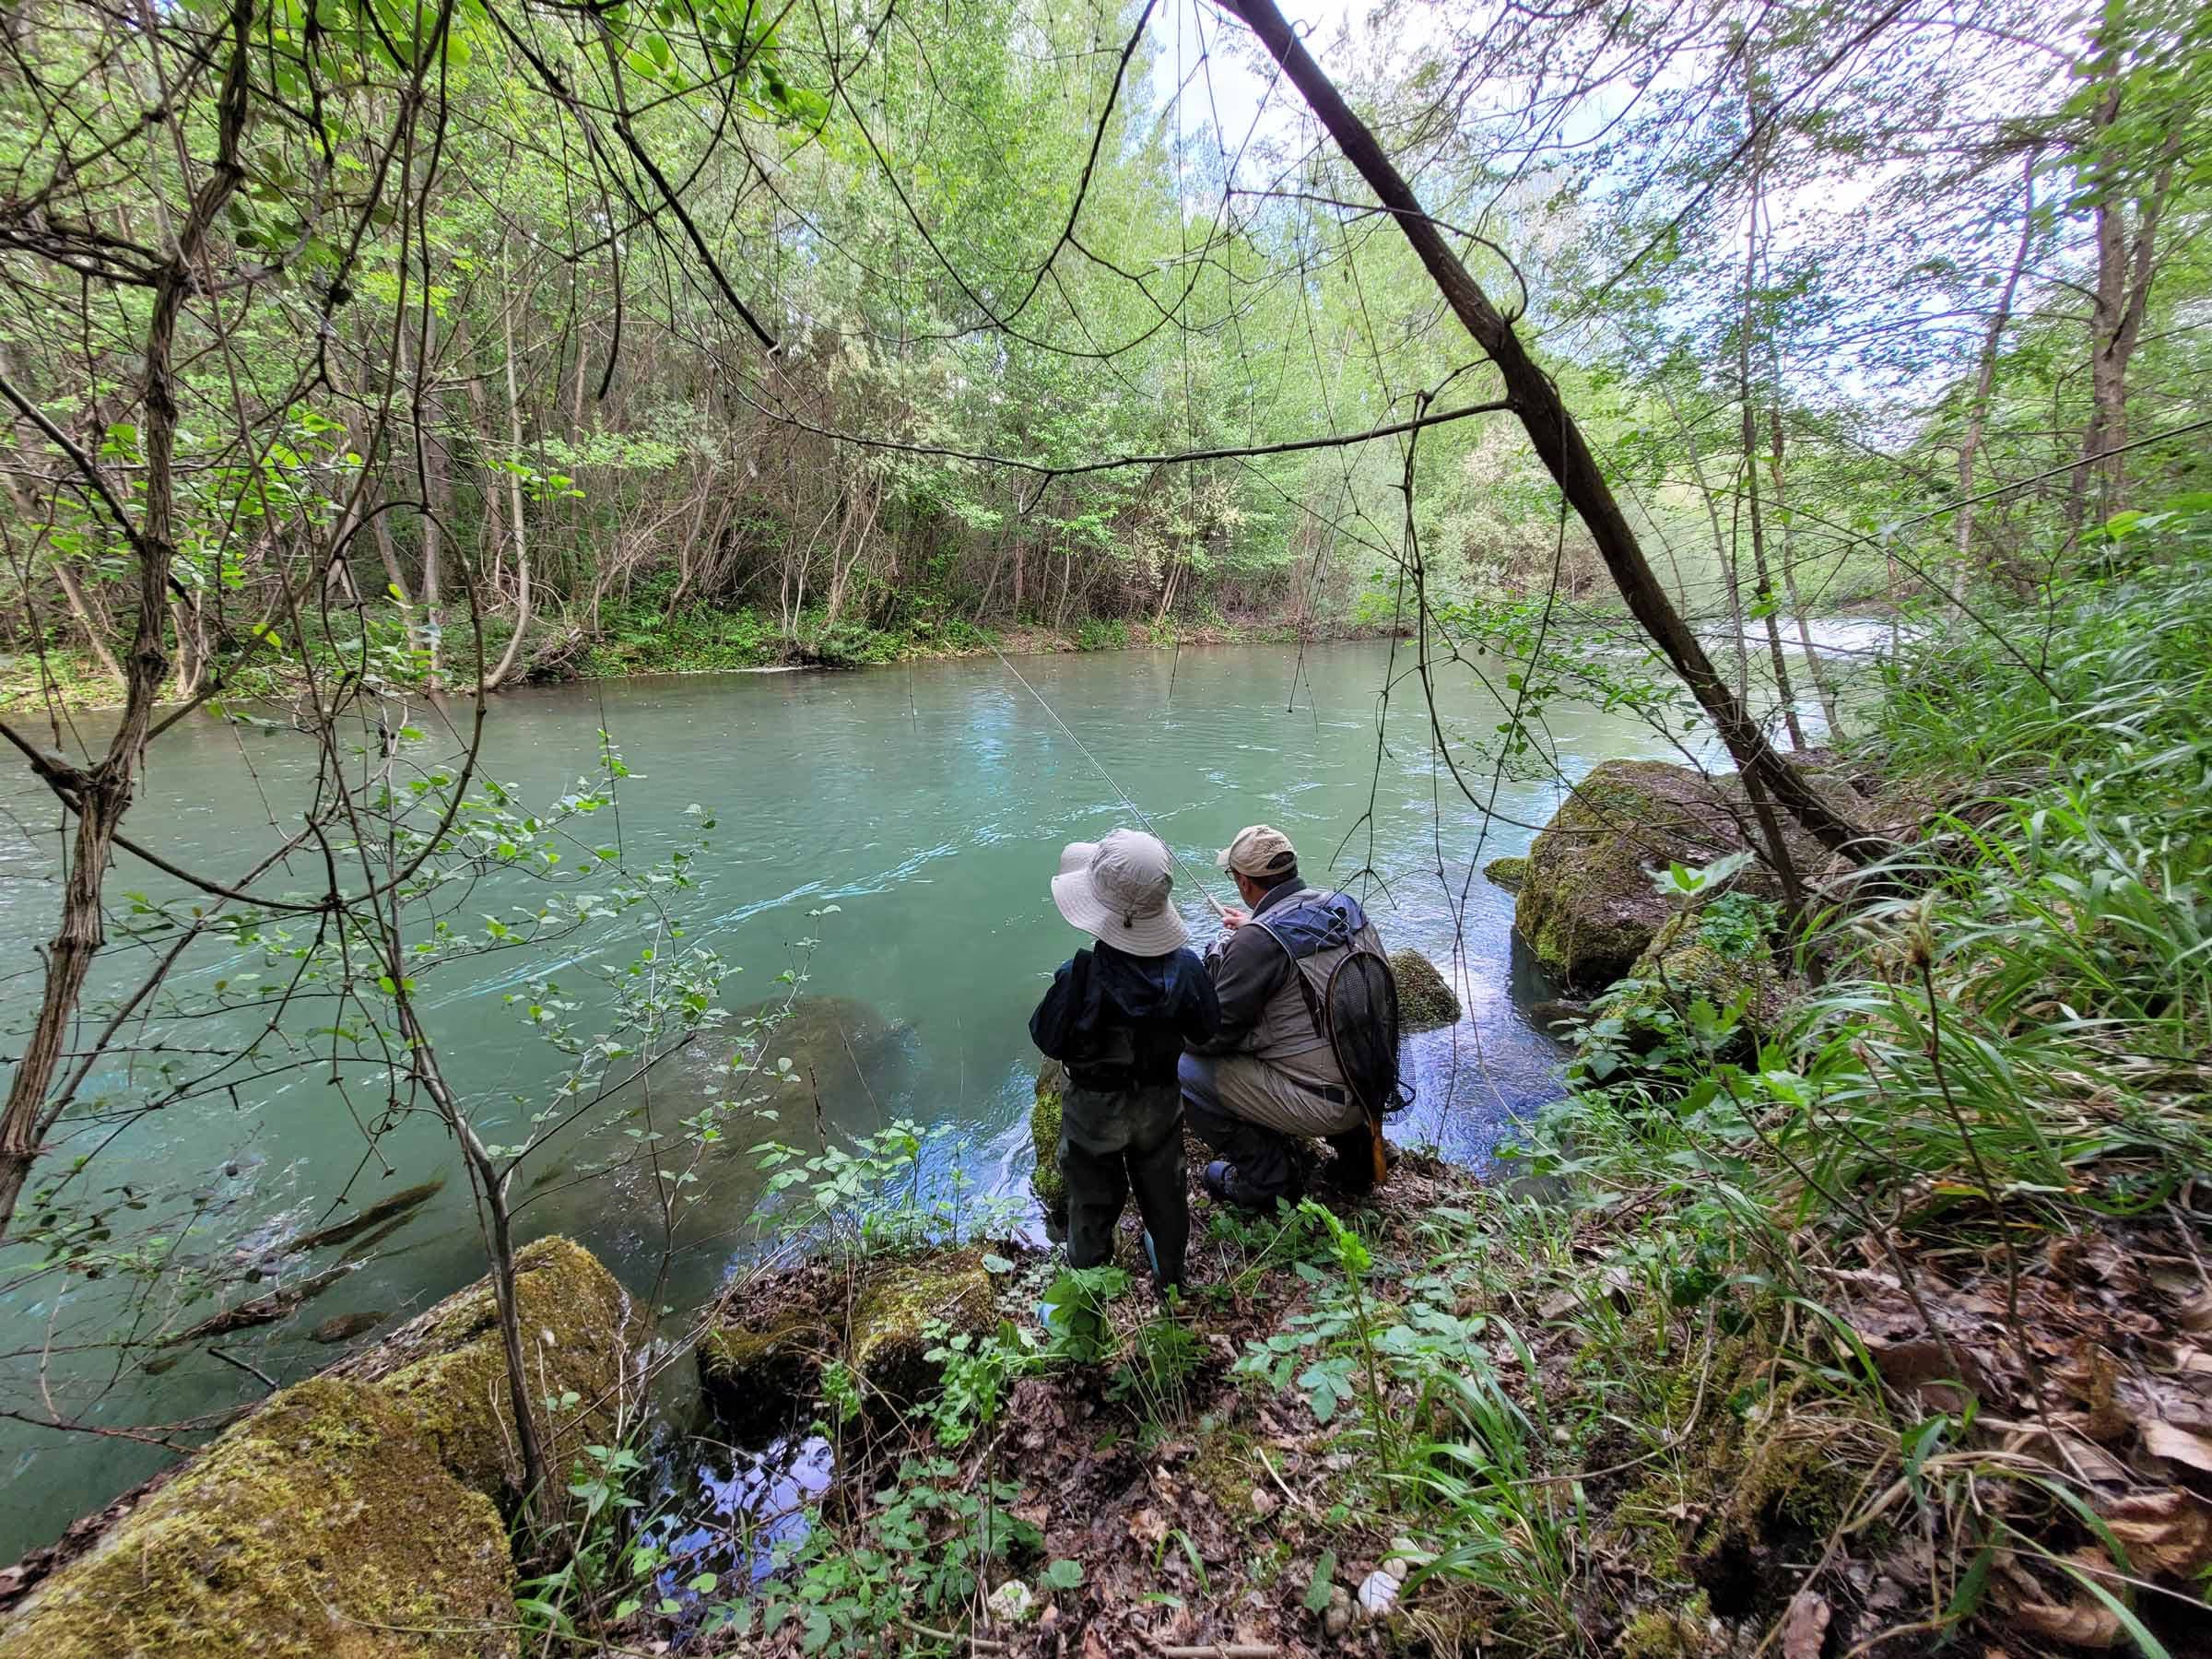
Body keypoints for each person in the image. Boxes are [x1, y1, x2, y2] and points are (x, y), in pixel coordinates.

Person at [1030, 828, 1220, 1291]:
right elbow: (1206, 1030)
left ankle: (1088, 1297)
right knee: (1166, 1192)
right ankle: (1173, 1278)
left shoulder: (1079, 976)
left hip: (1093, 1112)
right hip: (1159, 1104)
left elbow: (1046, 1038)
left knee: (1091, 1200)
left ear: (1099, 912)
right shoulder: (1189, 968)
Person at [1180, 824, 1394, 1209]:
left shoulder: (1258, 943)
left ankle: (1267, 1177)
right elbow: (1302, 950)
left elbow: (1212, 1038)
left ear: (1243, 881)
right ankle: (1357, 1154)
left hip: (1325, 1104)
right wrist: (1255, 930)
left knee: (1181, 1068)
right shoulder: (1344, 906)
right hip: (1371, 1084)